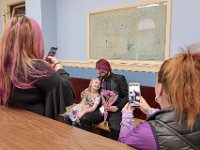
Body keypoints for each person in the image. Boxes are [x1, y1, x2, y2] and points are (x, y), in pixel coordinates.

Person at [119, 45, 200, 149]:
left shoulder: (147, 132)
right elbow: (177, 119)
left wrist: (127, 116)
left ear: (160, 89)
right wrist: (149, 110)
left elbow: (121, 146)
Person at [0, 15, 75, 120]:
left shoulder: (4, 65)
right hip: (36, 127)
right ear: (32, 40)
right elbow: (67, 94)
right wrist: (58, 67)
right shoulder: (38, 68)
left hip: (11, 124)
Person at [80, 59, 128, 140]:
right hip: (101, 109)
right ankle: (91, 142)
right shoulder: (98, 80)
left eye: (103, 68)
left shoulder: (119, 78)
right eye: (99, 69)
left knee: (116, 129)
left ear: (108, 68)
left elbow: (128, 96)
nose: (101, 71)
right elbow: (91, 93)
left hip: (114, 110)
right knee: (84, 119)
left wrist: (117, 107)